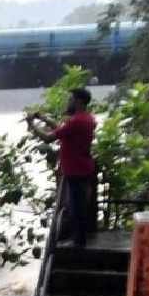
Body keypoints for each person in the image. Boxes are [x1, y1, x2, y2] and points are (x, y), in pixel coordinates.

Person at [26, 88, 97, 248]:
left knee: (76, 207)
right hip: (83, 167)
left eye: (71, 99)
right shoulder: (86, 119)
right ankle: (79, 239)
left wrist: (31, 124)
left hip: (75, 170)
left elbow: (48, 137)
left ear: (78, 101)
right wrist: (44, 119)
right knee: (78, 205)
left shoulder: (76, 121)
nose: (68, 102)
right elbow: (62, 130)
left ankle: (78, 242)